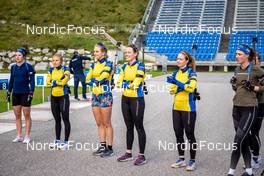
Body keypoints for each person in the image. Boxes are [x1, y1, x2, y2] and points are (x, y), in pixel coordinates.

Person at [228, 45, 264, 176]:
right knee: (242, 140)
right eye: (236, 54)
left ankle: (230, 172)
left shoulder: (256, 69)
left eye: (239, 54)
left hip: (250, 108)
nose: (236, 56)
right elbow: (237, 89)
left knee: (238, 139)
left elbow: (262, 87)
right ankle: (249, 171)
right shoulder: (237, 69)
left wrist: (253, 87)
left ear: (247, 55)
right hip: (236, 107)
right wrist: (233, 84)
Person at [166, 50, 198, 171]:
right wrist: (181, 86)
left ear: (187, 60)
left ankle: (192, 160)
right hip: (176, 108)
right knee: (178, 134)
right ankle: (181, 159)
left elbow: (191, 88)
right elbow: (171, 91)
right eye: (177, 58)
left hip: (189, 108)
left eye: (180, 59)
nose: (178, 60)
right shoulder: (175, 73)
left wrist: (177, 83)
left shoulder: (192, 73)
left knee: (190, 134)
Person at [116, 44, 147, 166]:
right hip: (126, 98)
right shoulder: (124, 66)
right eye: (126, 53)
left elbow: (136, 83)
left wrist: (127, 83)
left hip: (137, 99)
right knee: (128, 127)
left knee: (139, 127)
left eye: (129, 52)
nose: (127, 54)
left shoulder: (140, 65)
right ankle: (128, 153)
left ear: (135, 54)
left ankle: (142, 156)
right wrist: (127, 83)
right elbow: (118, 82)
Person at [86, 42, 114, 157]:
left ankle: (110, 148)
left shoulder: (109, 63)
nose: (95, 53)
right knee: (99, 123)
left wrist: (95, 80)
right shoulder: (93, 65)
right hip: (95, 95)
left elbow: (103, 77)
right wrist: (95, 81)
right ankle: (102, 146)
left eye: (97, 51)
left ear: (103, 53)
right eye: (94, 51)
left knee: (107, 123)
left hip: (105, 95)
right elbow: (87, 79)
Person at [7, 48, 35, 144]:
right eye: (16, 55)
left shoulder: (28, 67)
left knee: (26, 115)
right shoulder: (13, 67)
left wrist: (31, 92)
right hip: (16, 94)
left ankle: (27, 136)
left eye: (19, 55)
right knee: (17, 116)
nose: (17, 57)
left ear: (23, 56)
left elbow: (32, 81)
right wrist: (9, 92)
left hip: (25, 93)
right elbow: (11, 80)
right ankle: (19, 136)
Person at [46, 53, 71, 150]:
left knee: (65, 119)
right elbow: (47, 83)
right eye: (53, 60)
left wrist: (54, 82)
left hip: (63, 97)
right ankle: (57, 140)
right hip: (54, 97)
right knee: (57, 120)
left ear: (61, 61)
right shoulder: (51, 70)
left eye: (56, 60)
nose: (54, 62)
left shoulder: (66, 69)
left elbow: (64, 82)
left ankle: (66, 142)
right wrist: (56, 83)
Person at [248, 53, 264, 169]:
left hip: (260, 104)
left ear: (259, 62)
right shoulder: (248, 71)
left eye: (255, 60)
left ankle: (256, 157)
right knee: (246, 132)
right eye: (251, 60)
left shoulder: (261, 72)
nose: (253, 62)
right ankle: (252, 154)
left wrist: (254, 87)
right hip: (248, 104)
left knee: (254, 132)